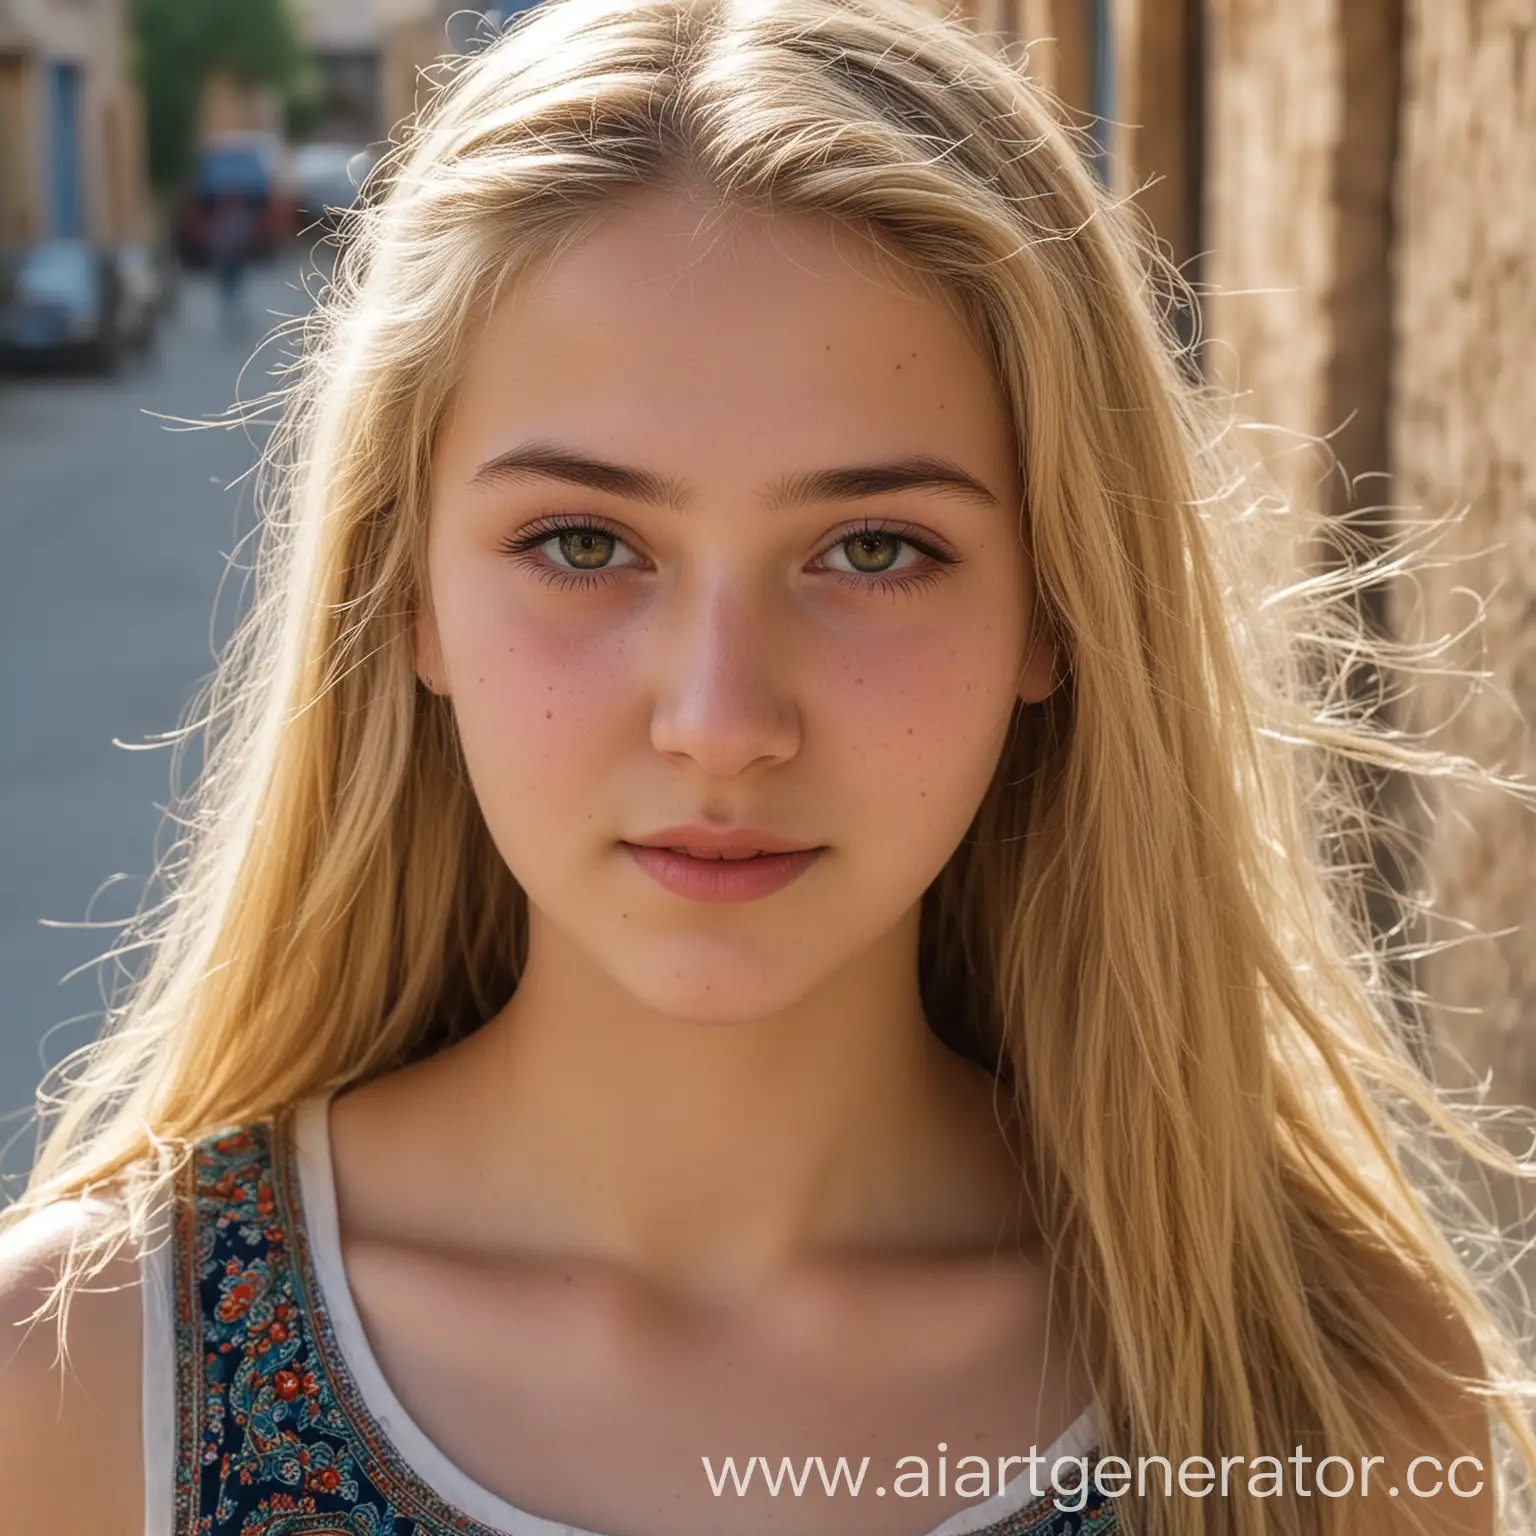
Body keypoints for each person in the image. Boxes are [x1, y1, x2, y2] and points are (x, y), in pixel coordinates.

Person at [0, 0, 1530, 1531]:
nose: (722, 720)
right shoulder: (79, 1383)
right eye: (583, 544)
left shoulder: (1340, 1398)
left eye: (875, 549)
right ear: (408, 593)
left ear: (1054, 609)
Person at [205, 192, 256, 336]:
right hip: (226, 258)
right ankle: (231, 317)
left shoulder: (240, 217)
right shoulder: (221, 218)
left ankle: (238, 317)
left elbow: (246, 237)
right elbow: (216, 239)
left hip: (236, 257)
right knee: (227, 289)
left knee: (236, 287)